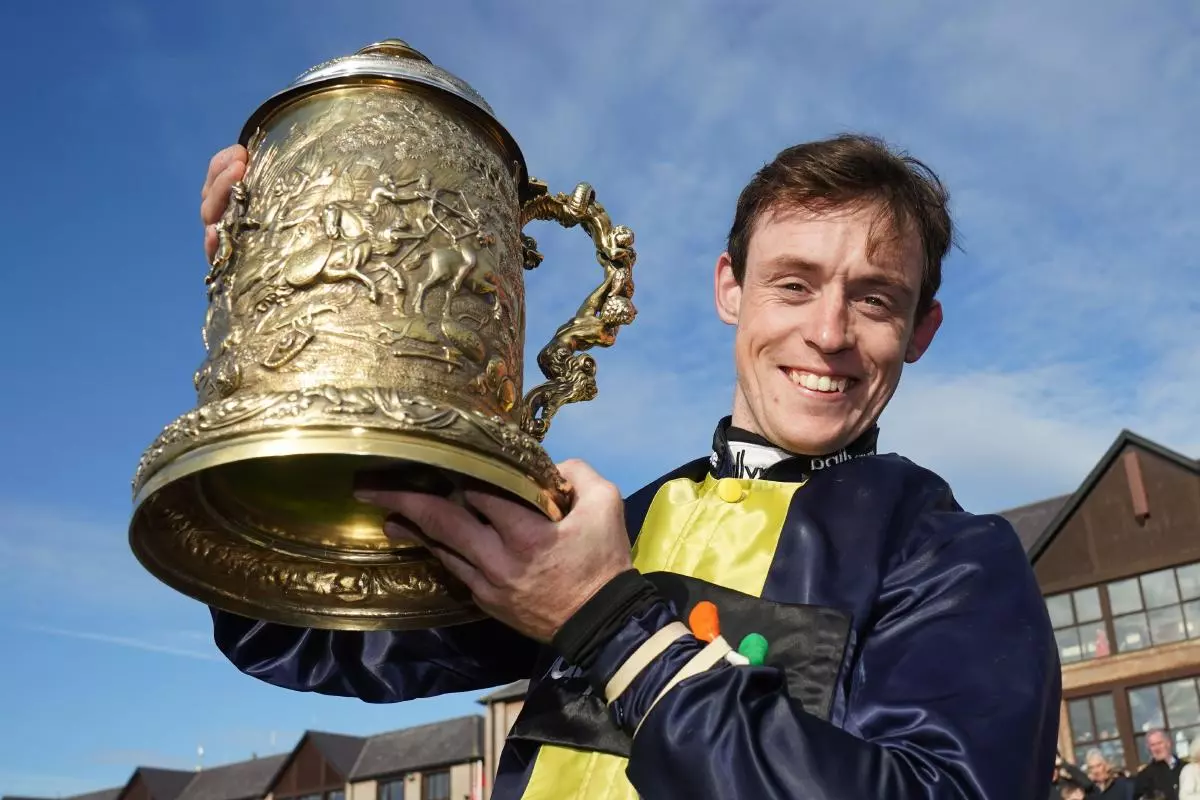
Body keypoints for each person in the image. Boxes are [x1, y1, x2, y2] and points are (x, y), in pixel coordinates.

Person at [199, 133, 1062, 799]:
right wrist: (278, 338)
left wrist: (609, 624)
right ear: (732, 289)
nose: (829, 334)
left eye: (874, 299)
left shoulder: (953, 562)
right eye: (793, 285)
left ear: (920, 331)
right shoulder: (611, 527)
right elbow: (300, 627)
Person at [1138, 729, 1189, 800]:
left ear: (1168, 743)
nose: (1157, 748)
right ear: (1149, 748)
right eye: (1153, 745)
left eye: (1159, 743)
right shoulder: (1145, 775)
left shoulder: (1187, 767)